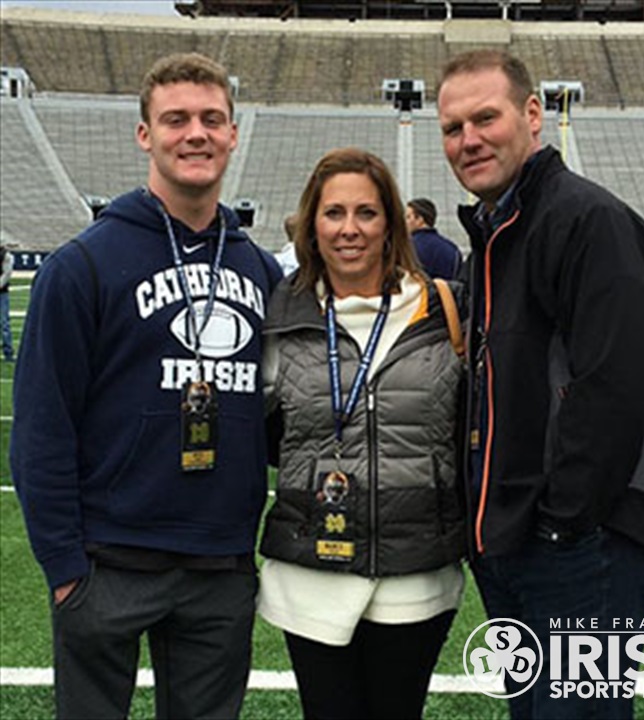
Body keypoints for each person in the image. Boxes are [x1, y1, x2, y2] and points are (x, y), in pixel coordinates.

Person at [11, 53, 282, 720]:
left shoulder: (262, 271)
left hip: (220, 563)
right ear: (145, 135)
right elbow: (43, 426)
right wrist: (65, 570)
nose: (196, 133)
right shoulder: (83, 265)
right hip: (109, 562)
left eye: (211, 119)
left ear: (233, 133)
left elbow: (282, 416)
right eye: (176, 119)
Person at [437, 50, 644, 719]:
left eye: (484, 118)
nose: (468, 140)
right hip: (527, 539)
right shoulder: (498, 232)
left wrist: (561, 522)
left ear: (532, 116)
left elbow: (621, 385)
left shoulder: (584, 219)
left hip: (585, 543)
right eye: (452, 127)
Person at [258, 147, 466, 720]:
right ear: (311, 224)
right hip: (310, 577)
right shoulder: (280, 314)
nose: (349, 229)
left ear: (392, 224)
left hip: (415, 572)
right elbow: (263, 436)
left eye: (367, 213)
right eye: (333, 213)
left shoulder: (444, 308)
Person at [405, 197, 463, 280]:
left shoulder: (406, 248)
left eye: (408, 217)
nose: (404, 222)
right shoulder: (453, 250)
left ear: (419, 219)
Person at [0, 243, 14, 361]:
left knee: (4, 324)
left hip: (1, 293)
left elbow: (7, 274)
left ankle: (8, 352)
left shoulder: (5, 256)